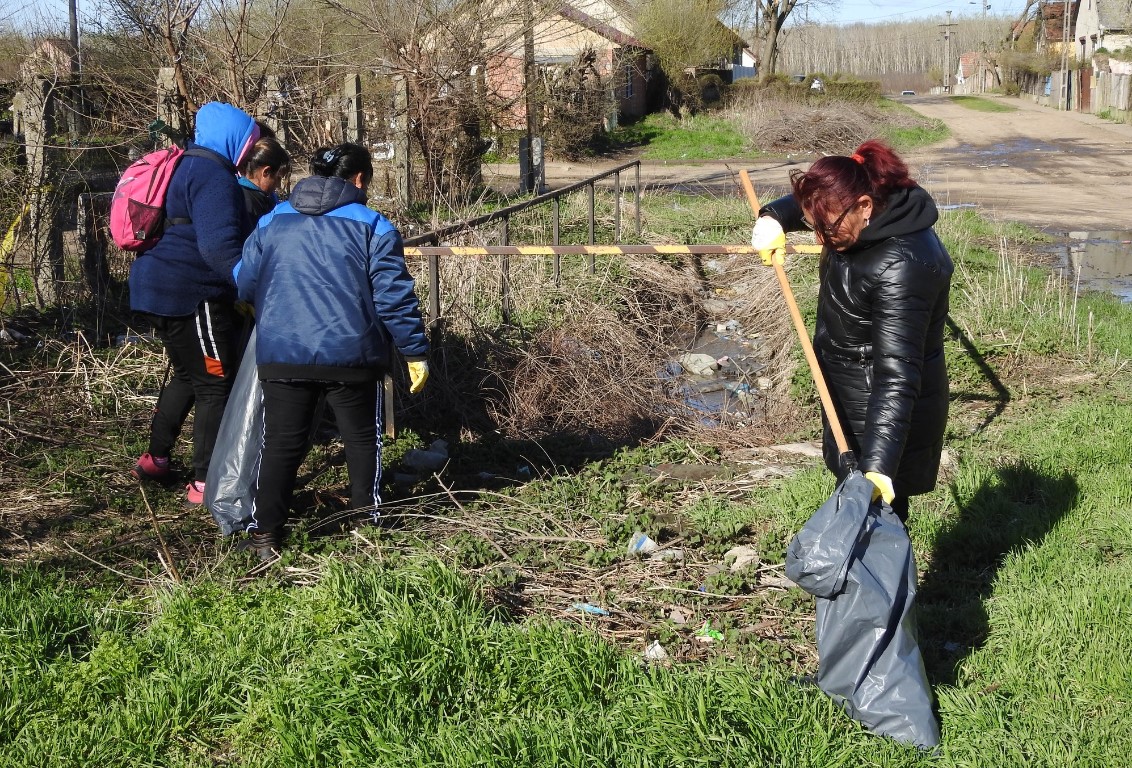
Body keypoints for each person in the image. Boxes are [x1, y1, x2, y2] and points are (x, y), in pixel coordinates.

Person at [234, 142, 430, 558]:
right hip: (353, 355)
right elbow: (393, 298)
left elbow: (245, 281)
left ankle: (265, 535)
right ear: (359, 179)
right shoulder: (373, 226)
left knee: (281, 444)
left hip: (282, 352)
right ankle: (366, 527)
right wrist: (414, 351)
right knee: (362, 440)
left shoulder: (272, 220)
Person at [751, 139, 953, 522]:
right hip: (849, 391)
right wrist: (774, 217)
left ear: (865, 206)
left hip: (882, 410)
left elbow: (897, 374)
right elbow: (819, 202)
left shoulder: (902, 265)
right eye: (814, 225)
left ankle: (886, 582)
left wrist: (878, 464)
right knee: (858, 513)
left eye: (827, 227)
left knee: (880, 519)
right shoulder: (860, 208)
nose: (819, 238)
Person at [130, 101, 260, 506]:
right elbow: (219, 247)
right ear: (234, 139)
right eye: (249, 142)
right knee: (215, 384)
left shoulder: (184, 164)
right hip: (191, 293)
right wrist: (253, 286)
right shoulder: (213, 174)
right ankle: (205, 480)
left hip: (155, 285)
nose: (249, 152)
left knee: (189, 375)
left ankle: (157, 458)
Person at [237, 131, 290, 222]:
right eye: (278, 178)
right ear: (266, 172)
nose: (278, 185)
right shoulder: (247, 203)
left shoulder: (263, 198)